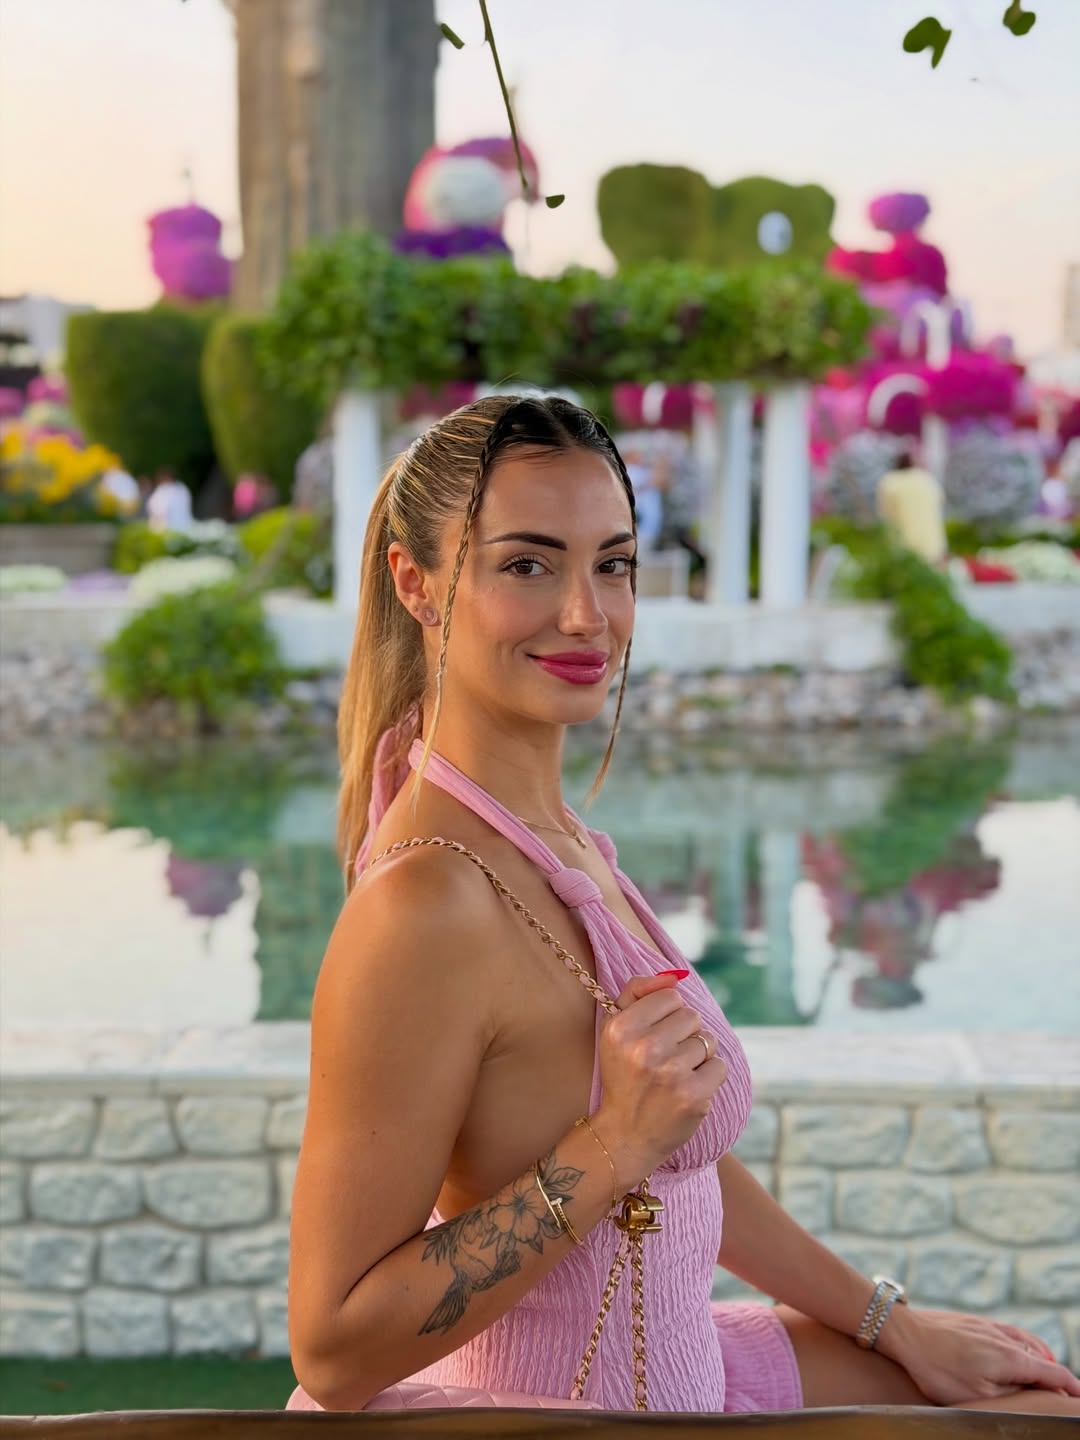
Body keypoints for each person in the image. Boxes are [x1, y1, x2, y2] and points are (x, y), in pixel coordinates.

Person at [286, 395, 1079, 1418]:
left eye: (614, 564)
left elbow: (679, 1154)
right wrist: (610, 1144)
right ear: (417, 583)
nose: (588, 615)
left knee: (1038, 1399)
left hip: (682, 1370)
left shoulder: (558, 842)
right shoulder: (426, 904)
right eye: (527, 565)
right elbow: (335, 1349)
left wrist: (893, 1324)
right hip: (567, 1418)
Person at [876, 449, 947, 565]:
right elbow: (941, 500)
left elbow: (884, 512)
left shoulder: (890, 482)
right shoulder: (925, 479)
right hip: (931, 540)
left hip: (903, 541)